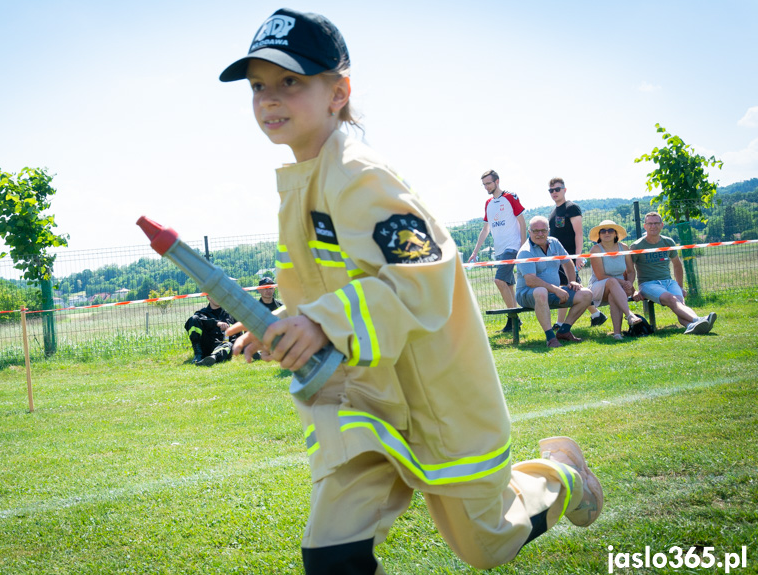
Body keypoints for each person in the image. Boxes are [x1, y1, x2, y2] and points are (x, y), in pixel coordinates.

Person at [221, 9, 603, 573]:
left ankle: (562, 476)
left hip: (431, 391)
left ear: (338, 92)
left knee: (486, 545)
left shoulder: (359, 174)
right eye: (258, 86)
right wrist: (283, 318)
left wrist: (322, 322)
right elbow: (335, 282)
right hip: (361, 399)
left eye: (290, 81)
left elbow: (420, 278)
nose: (269, 99)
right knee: (332, 556)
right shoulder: (301, 181)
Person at [631, 212, 717, 334]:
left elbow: (677, 265)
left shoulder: (668, 242)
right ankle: (699, 319)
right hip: (648, 284)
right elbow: (629, 270)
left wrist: (680, 286)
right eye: (650, 223)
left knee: (680, 304)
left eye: (656, 223)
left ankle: (691, 326)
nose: (653, 226)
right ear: (645, 226)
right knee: (672, 300)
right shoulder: (636, 245)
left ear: (662, 225)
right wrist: (633, 290)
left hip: (669, 282)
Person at [515, 216, 592, 348]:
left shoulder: (555, 243)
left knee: (586, 294)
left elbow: (568, 262)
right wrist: (556, 289)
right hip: (527, 294)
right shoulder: (525, 252)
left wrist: (572, 281)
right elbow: (531, 281)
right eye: (536, 231)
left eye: (543, 230)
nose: (540, 234)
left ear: (548, 230)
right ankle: (550, 338)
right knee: (541, 291)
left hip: (551, 292)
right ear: (529, 232)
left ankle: (564, 331)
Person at [468, 170, 526, 333]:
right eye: (484, 184)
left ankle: (513, 318)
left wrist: (522, 246)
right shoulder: (488, 203)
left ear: (497, 181)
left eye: (489, 183)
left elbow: (522, 221)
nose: (486, 187)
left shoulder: (510, 197)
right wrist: (475, 251)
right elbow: (485, 229)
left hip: (512, 247)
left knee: (499, 281)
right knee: (508, 284)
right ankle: (514, 322)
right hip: (499, 249)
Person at [547, 178, 607, 328]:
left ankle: (561, 323)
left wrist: (577, 256)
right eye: (551, 190)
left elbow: (578, 233)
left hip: (569, 256)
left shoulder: (571, 208)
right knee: (571, 286)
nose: (554, 192)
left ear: (565, 190)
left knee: (566, 286)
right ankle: (596, 314)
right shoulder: (553, 212)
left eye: (557, 189)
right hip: (556, 257)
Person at [587, 220, 645, 340]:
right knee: (612, 282)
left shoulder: (624, 247)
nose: (606, 233)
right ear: (599, 235)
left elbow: (630, 271)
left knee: (614, 294)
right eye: (603, 231)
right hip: (598, 287)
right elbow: (600, 276)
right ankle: (629, 315)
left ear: (615, 233)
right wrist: (624, 282)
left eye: (610, 230)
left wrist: (629, 283)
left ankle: (617, 334)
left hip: (620, 287)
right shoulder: (595, 250)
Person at [184, 294, 237, 366]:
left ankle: (213, 358)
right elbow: (198, 320)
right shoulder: (202, 313)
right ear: (208, 297)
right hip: (206, 345)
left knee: (228, 345)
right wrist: (216, 323)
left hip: (222, 344)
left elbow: (238, 335)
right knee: (193, 319)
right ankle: (198, 355)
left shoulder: (230, 314)